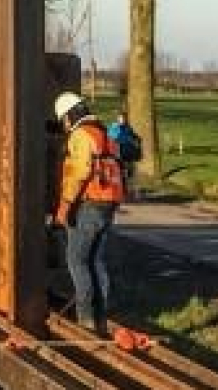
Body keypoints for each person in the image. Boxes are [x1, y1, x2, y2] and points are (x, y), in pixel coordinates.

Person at [52, 90, 125, 338]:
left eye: (63, 119)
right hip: (108, 205)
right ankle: (101, 315)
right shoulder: (104, 132)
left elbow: (81, 170)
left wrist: (65, 205)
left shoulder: (80, 135)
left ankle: (85, 320)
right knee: (96, 260)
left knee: (76, 260)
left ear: (70, 116)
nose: (64, 125)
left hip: (90, 204)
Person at [109, 111, 144, 176]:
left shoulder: (127, 127)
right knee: (121, 163)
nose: (123, 120)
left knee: (129, 163)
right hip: (119, 149)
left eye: (124, 118)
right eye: (121, 118)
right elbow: (112, 136)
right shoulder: (115, 127)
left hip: (128, 149)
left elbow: (132, 134)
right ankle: (123, 172)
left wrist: (137, 138)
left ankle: (129, 172)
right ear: (117, 119)